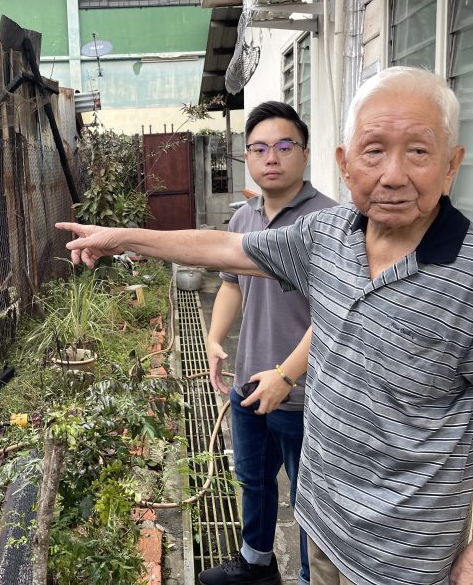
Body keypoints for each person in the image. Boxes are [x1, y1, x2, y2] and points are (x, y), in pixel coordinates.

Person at [56, 66, 473, 585]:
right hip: (320, 527)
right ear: (345, 163)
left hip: (404, 562)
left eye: (418, 151)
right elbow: (226, 249)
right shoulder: (327, 234)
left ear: (451, 166)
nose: (393, 175)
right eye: (374, 151)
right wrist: (122, 237)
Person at [202, 102, 334, 585]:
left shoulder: (331, 221)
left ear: (306, 153)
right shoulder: (243, 219)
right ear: (248, 158)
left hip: (306, 394)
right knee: (253, 480)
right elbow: (231, 285)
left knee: (309, 498)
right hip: (250, 382)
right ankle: (256, 564)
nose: (271, 158)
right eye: (259, 149)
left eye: (283, 146)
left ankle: (309, 577)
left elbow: (337, 314)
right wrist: (215, 338)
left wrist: (286, 375)